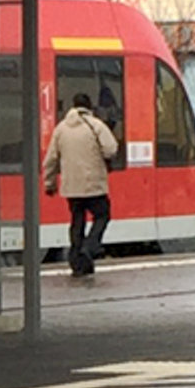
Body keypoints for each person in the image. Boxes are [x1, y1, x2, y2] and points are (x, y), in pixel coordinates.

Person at [41, 94, 117, 278]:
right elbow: (111, 149)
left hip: (71, 187)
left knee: (77, 220)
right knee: (102, 215)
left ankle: (76, 263)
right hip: (93, 184)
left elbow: (50, 159)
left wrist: (49, 183)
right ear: (89, 106)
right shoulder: (96, 125)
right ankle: (89, 248)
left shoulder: (61, 129)